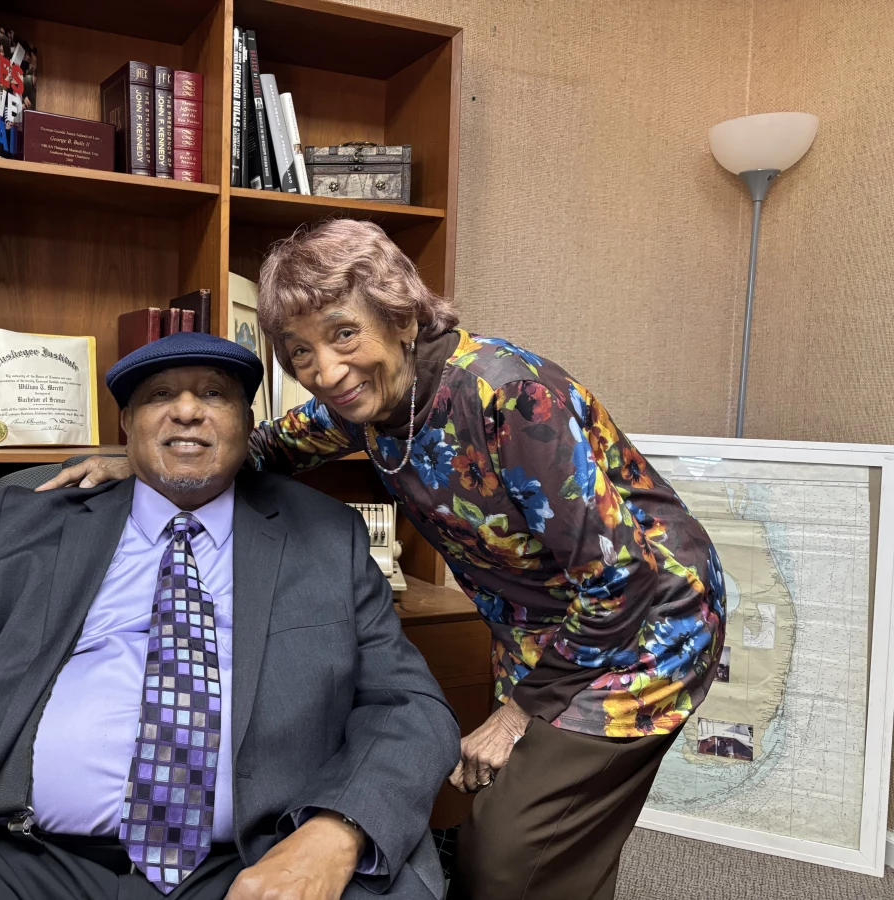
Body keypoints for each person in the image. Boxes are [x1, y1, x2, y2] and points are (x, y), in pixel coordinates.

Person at [41, 219, 727, 900]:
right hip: (541, 627)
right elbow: (262, 448)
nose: (326, 370)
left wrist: (517, 712)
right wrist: (144, 461)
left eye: (344, 333)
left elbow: (621, 575)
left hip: (645, 628)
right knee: (556, 841)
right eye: (299, 352)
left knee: (506, 856)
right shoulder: (361, 404)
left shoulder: (507, 395)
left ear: (400, 316)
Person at [0, 332, 458, 900]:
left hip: (251, 862)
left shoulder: (325, 537)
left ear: (247, 422)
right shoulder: (22, 527)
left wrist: (332, 833)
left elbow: (409, 707)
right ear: (125, 424)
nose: (186, 409)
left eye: (213, 394)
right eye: (158, 396)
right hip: (19, 860)